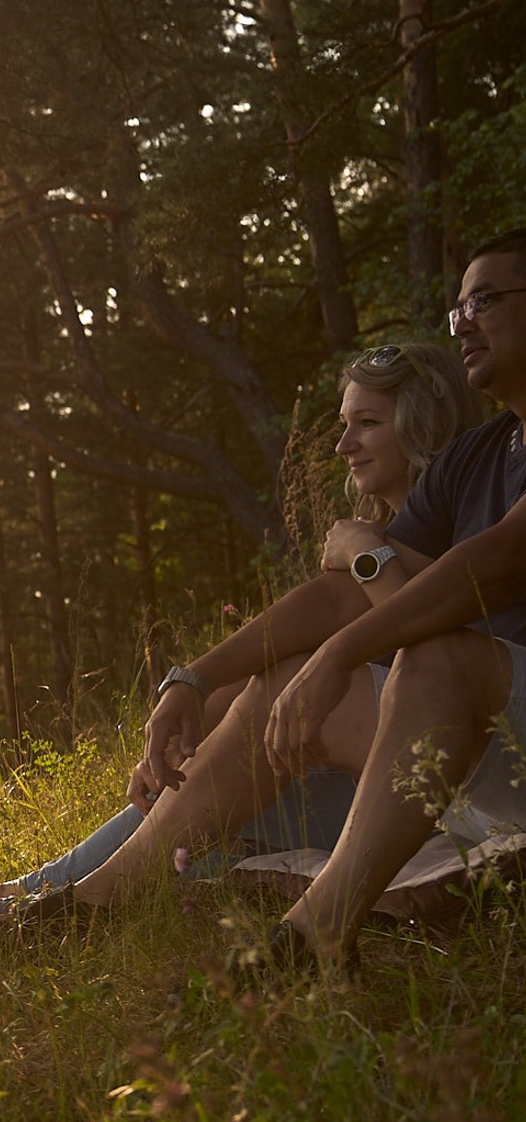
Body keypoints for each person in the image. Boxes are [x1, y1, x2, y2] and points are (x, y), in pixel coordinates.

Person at [0, 334, 483, 957]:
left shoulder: (458, 523)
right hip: (389, 764)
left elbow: (428, 640)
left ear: (421, 424)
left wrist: (363, 553)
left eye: (366, 423)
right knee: (231, 729)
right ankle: (4, 900)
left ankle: (15, 917)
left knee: (254, 751)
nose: (342, 444)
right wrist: (192, 693)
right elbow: (312, 631)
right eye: (344, 423)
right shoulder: (381, 537)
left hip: (441, 781)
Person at [26, 229, 526, 965]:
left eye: (485, 300)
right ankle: (87, 908)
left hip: (495, 727)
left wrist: (349, 622)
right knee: (285, 679)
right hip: (487, 753)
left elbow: (503, 554)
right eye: (457, 308)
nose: (464, 322)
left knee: (441, 656)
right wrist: (193, 679)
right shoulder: (477, 455)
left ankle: (310, 937)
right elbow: (338, 598)